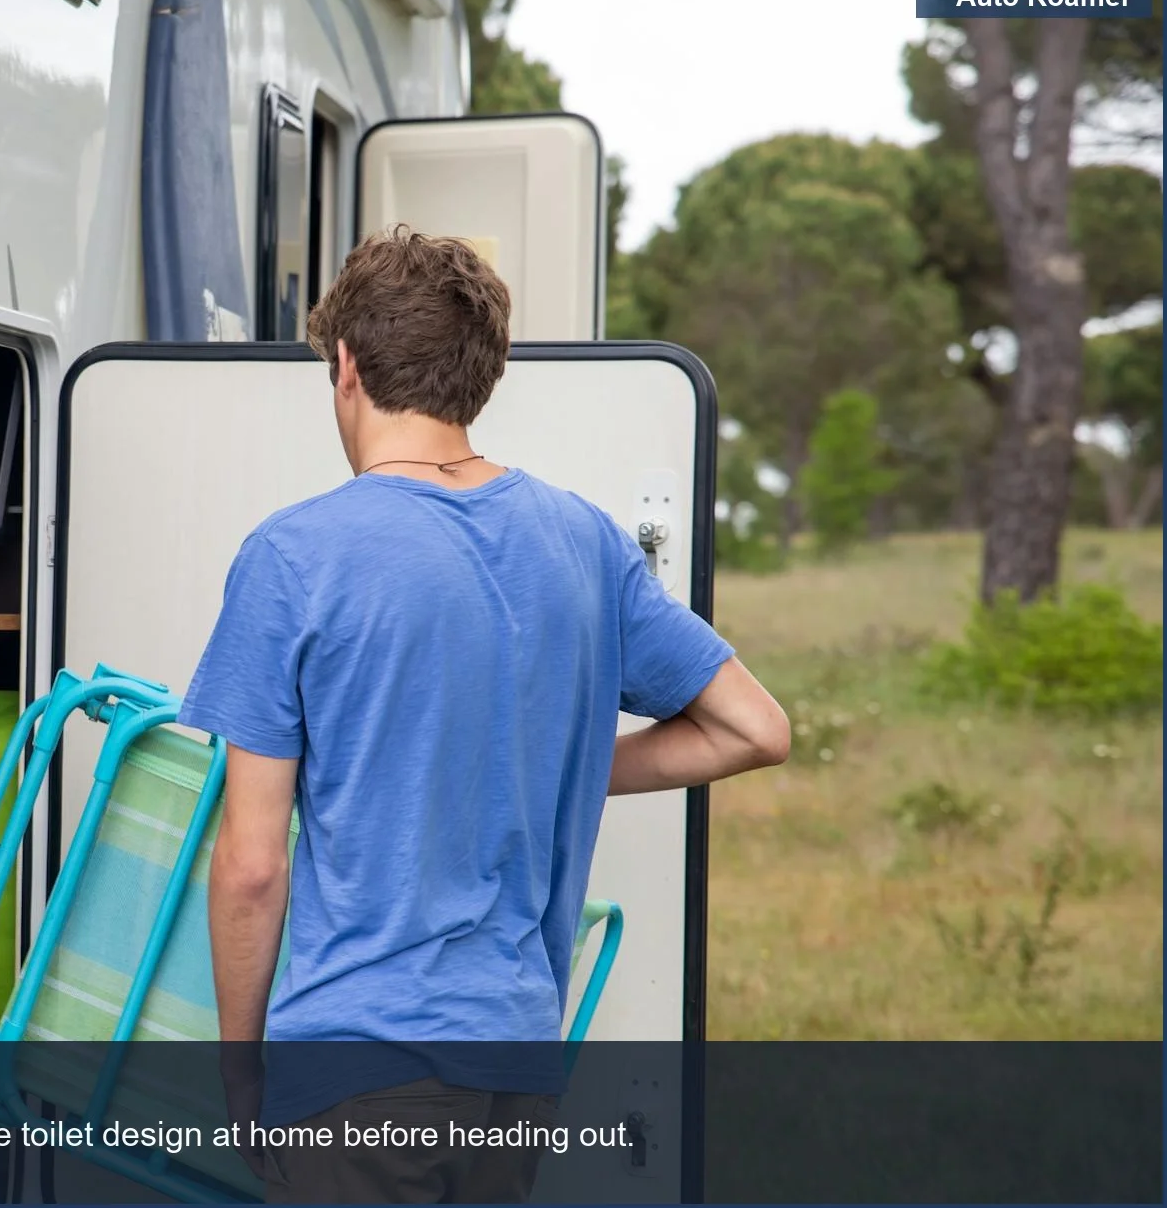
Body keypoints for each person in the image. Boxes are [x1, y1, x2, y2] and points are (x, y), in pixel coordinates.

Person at [177, 226, 790, 1204]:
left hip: (357, 1061)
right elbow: (754, 728)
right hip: (513, 1059)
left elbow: (251, 865)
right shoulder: (580, 538)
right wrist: (558, 753)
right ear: (480, 374)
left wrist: (240, 1070)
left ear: (344, 365)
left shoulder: (295, 556)